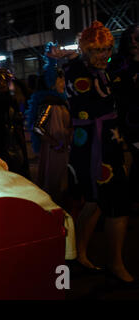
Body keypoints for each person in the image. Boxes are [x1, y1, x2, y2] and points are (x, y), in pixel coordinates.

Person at [51, 21, 137, 287]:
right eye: (98, 50)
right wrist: (72, 57)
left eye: (107, 49)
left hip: (106, 143)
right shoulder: (78, 70)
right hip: (92, 148)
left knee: (95, 202)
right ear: (87, 50)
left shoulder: (108, 70)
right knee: (114, 204)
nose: (104, 55)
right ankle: (114, 263)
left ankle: (77, 252)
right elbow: (90, 101)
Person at [26, 42, 73, 208]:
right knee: (54, 185)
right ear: (53, 82)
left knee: (65, 183)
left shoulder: (63, 102)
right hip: (53, 151)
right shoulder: (48, 103)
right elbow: (37, 127)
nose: (63, 83)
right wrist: (55, 142)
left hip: (65, 148)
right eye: (61, 80)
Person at [108, 24, 139, 217]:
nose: (133, 42)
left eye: (137, 39)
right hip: (130, 124)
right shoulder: (120, 65)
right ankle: (132, 201)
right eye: (131, 39)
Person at [0, 68, 30, 178]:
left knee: (17, 167)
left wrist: (13, 77)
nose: (2, 85)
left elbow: (25, 92)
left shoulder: (11, 98)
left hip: (14, 138)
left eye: (4, 82)